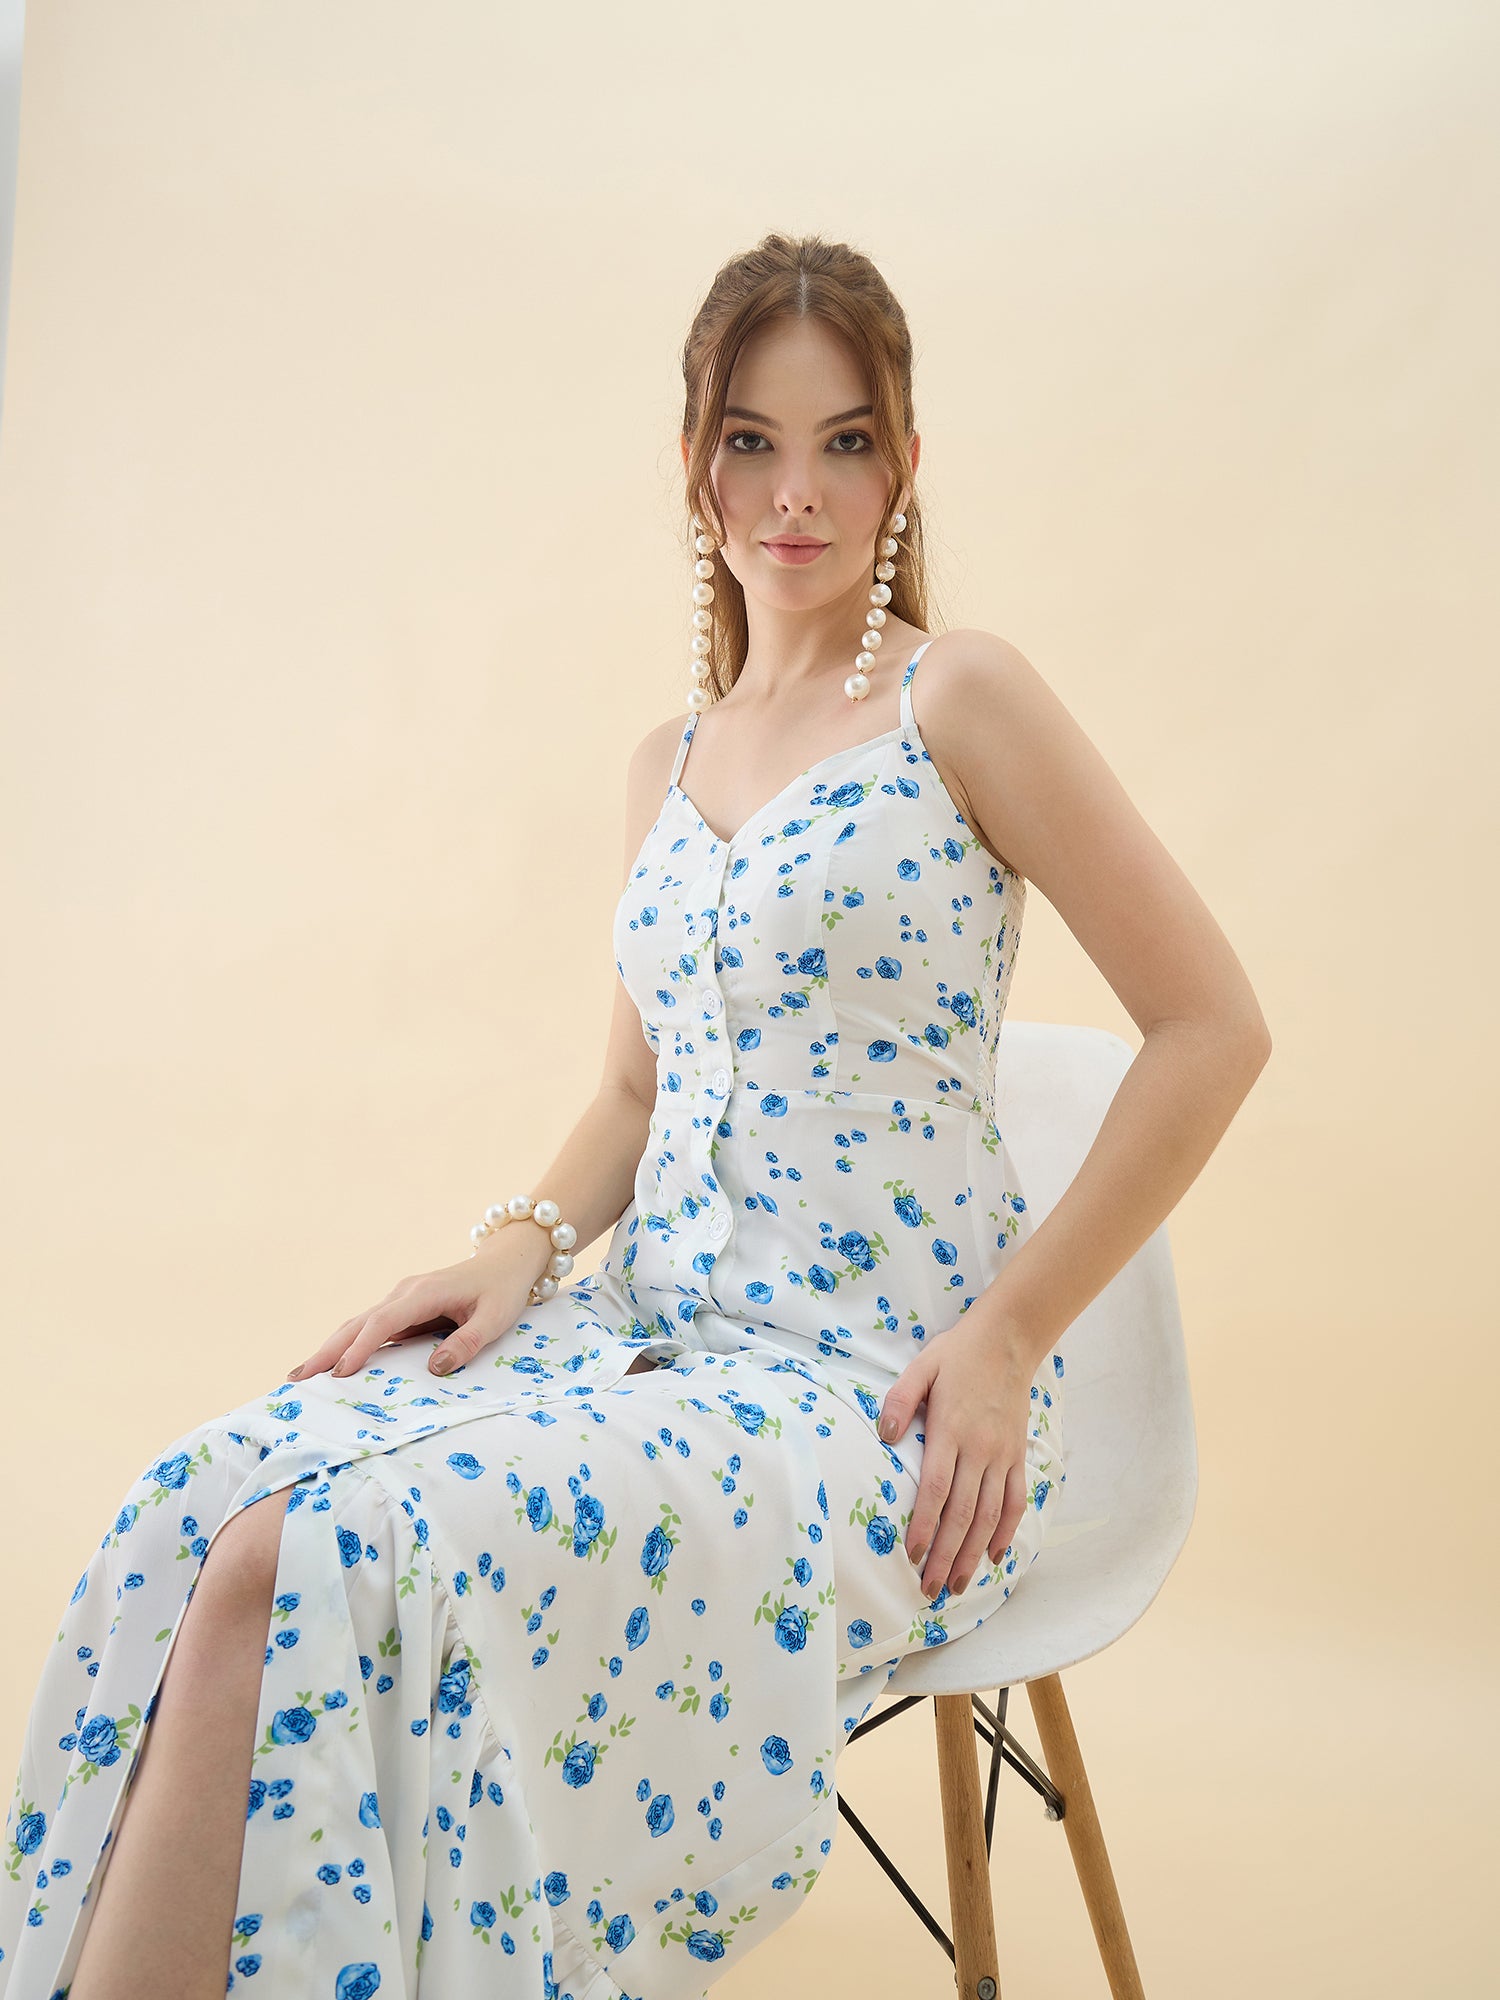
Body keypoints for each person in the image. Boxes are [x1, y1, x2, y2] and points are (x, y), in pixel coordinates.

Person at [0, 231, 1270, 2000]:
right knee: (209, 1520)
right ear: (695, 464)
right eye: (753, 441)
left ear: (905, 463)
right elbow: (631, 1090)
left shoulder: (960, 698)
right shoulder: (662, 767)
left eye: (844, 442)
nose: (795, 492)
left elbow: (1213, 1031)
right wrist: (513, 1250)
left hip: (875, 1402)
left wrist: (1008, 1335)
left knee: (332, 1553)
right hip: (637, 1341)